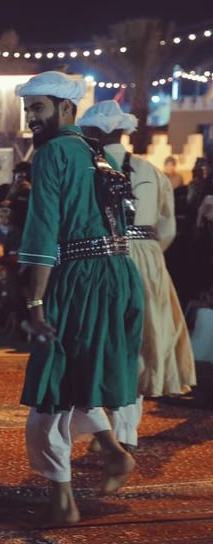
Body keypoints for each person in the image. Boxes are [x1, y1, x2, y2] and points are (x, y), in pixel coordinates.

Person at [15, 71, 142, 526]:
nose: (31, 117)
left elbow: (43, 230)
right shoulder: (96, 151)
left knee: (51, 383)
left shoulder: (52, 152)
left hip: (80, 278)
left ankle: (63, 499)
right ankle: (112, 452)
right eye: (28, 109)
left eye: (38, 108)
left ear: (66, 107)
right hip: (118, 273)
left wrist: (35, 302)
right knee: (78, 374)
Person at [77, 100, 196, 448]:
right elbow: (167, 226)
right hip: (147, 257)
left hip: (103, 256)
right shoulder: (152, 172)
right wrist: (149, 256)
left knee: (104, 339)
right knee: (142, 340)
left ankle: (108, 428)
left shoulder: (86, 170)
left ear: (92, 132)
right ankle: (126, 430)